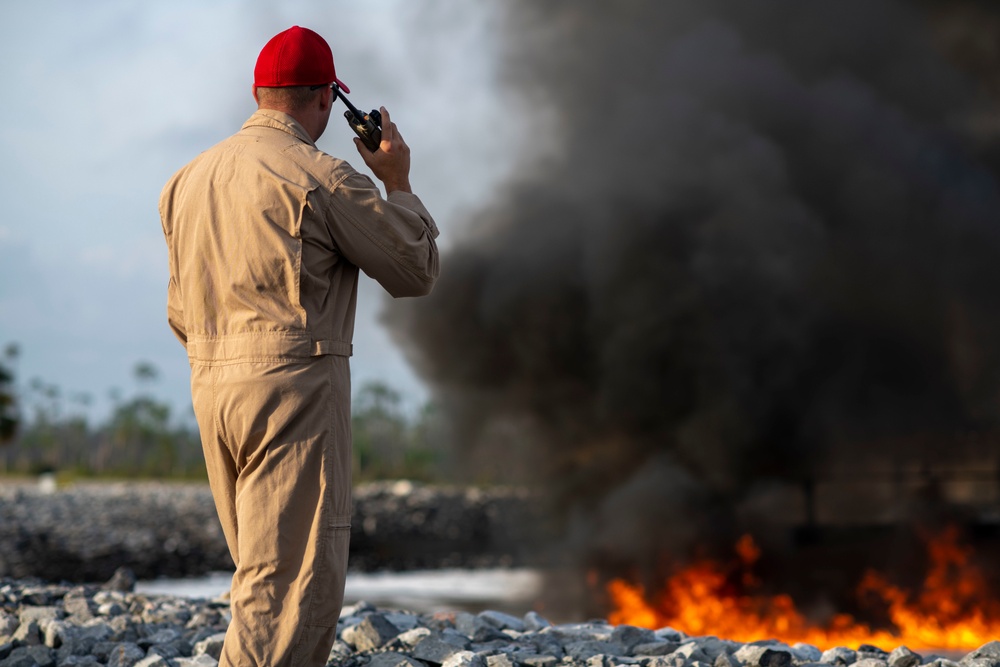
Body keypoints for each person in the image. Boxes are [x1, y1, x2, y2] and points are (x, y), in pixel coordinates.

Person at [158, 25, 439, 666]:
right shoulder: (324, 176)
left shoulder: (185, 181)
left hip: (212, 390)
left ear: (259, 94)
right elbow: (415, 271)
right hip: (295, 392)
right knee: (289, 590)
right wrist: (397, 181)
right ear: (324, 101)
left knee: (260, 577)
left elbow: (179, 311)